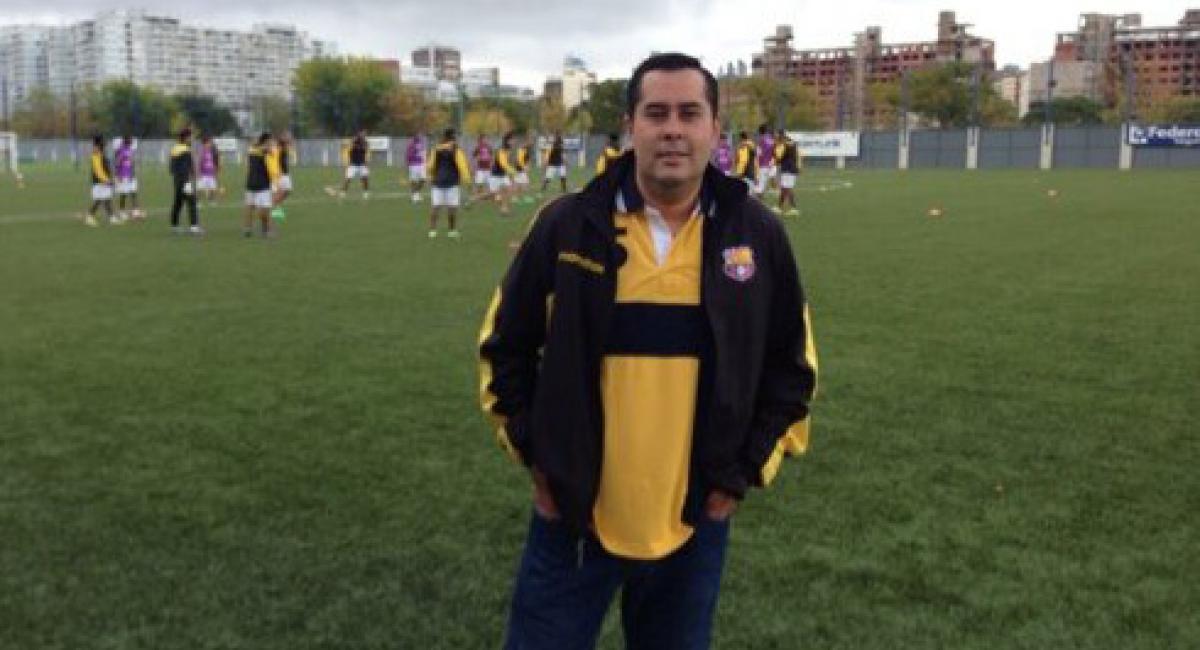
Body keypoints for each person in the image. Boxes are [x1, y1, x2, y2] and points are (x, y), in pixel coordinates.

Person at [478, 52, 818, 649]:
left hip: (694, 520)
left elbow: (792, 370)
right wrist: (541, 460)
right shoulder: (565, 226)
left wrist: (736, 477)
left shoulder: (757, 235)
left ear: (714, 128)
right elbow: (503, 349)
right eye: (656, 113)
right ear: (630, 126)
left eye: (690, 113)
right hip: (573, 517)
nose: (673, 130)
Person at [425, 127, 471, 239]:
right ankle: (452, 231)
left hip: (438, 182)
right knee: (452, 208)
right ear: (453, 136)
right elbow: (462, 166)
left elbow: (430, 166)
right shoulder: (456, 150)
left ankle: (432, 231)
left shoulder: (436, 149)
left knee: (435, 207)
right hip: (452, 182)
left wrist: (430, 175)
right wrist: (467, 180)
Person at [243, 133, 277, 238]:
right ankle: (265, 231)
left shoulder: (253, 150)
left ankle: (250, 229)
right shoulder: (263, 150)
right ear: (266, 141)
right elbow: (269, 151)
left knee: (252, 207)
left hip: (253, 183)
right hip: (260, 184)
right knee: (262, 209)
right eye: (270, 141)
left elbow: (260, 149)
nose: (272, 143)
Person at [169, 127, 202, 235]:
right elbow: (189, 167)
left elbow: (171, 168)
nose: (192, 139)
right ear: (186, 137)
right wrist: (191, 179)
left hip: (177, 180)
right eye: (191, 137)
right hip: (185, 180)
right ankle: (194, 227)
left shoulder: (174, 149)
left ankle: (174, 226)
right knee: (192, 202)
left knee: (178, 203)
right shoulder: (186, 150)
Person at [83, 134, 118, 227]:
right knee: (99, 200)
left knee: (106, 199)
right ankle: (90, 217)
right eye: (103, 141)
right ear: (99, 143)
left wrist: (111, 178)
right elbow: (98, 170)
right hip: (99, 182)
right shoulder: (96, 154)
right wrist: (107, 180)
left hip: (103, 181)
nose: (105, 143)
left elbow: (106, 167)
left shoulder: (101, 153)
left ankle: (112, 217)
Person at [113, 135, 142, 221]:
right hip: (123, 176)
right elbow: (117, 163)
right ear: (126, 141)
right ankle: (122, 212)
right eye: (130, 140)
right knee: (123, 194)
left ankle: (135, 212)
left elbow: (131, 163)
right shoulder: (121, 150)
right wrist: (118, 175)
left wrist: (133, 173)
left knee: (133, 193)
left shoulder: (130, 150)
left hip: (131, 176)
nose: (132, 141)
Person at [775, 130, 800, 216]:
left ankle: (793, 208)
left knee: (787, 188)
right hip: (792, 168)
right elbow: (797, 155)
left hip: (787, 169)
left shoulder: (783, 144)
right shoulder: (792, 143)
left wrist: (776, 160)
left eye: (777, 135)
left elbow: (779, 157)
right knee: (785, 188)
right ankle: (779, 207)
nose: (776, 137)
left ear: (781, 136)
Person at [338, 130, 370, 200]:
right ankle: (343, 193)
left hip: (362, 164)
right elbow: (347, 148)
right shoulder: (353, 142)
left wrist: (366, 162)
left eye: (365, 134)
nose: (364, 135)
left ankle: (366, 193)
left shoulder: (365, 143)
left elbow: (366, 151)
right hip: (353, 165)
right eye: (363, 134)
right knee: (348, 179)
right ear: (359, 134)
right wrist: (345, 162)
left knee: (365, 179)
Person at [270, 132, 294, 221]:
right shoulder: (279, 148)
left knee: (287, 191)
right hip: (279, 174)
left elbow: (290, 144)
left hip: (284, 174)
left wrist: (289, 140)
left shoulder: (283, 148)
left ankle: (275, 207)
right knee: (279, 192)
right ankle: (274, 210)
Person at [196, 134, 221, 206]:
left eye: (210, 143)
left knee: (212, 188)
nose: (210, 144)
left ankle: (211, 201)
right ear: (205, 143)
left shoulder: (212, 151)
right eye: (209, 143)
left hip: (211, 173)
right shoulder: (202, 152)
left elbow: (214, 161)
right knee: (200, 188)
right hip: (203, 174)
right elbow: (199, 162)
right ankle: (198, 202)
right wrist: (198, 173)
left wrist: (215, 170)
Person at [755, 124, 776, 195]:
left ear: (760, 131)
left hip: (762, 164)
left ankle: (757, 199)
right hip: (769, 164)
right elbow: (774, 152)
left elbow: (759, 153)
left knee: (759, 185)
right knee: (763, 185)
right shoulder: (771, 139)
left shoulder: (761, 140)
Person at [407, 133, 427, 203]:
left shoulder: (422, 144)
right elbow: (408, 155)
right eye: (418, 136)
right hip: (413, 165)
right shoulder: (411, 145)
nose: (420, 137)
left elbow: (423, 154)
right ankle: (414, 196)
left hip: (421, 164)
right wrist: (408, 163)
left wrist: (425, 162)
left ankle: (416, 193)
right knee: (414, 181)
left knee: (423, 179)